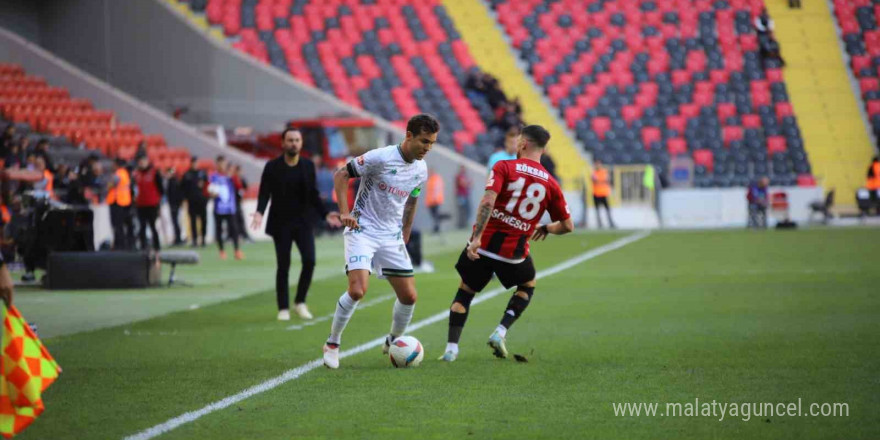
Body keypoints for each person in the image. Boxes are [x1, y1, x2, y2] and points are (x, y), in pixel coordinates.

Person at [439, 125, 573, 362]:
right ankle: (500, 331)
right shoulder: (551, 183)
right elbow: (567, 226)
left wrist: (476, 238)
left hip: (484, 245)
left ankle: (451, 349)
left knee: (465, 291)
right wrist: (546, 228)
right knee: (527, 284)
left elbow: (488, 201)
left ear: (523, 144)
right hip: (514, 253)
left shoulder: (504, 167)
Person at [321, 114, 437, 369]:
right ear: (408, 135)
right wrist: (344, 212)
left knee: (409, 297)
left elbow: (413, 198)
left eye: (432, 143)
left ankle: (394, 340)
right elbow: (342, 175)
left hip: (391, 236)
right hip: (362, 230)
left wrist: (405, 231)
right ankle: (332, 343)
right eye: (424, 141)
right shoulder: (380, 157)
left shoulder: (421, 169)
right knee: (357, 290)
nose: (428, 148)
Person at [252, 128, 342, 321]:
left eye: (297, 140)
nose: (294, 143)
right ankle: (283, 308)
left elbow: (313, 194)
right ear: (283, 143)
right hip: (281, 223)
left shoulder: (308, 166)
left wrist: (325, 213)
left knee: (309, 261)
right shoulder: (272, 167)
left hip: (303, 222)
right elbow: (264, 193)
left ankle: (300, 302)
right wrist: (259, 212)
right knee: (283, 265)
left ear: (301, 143)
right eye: (290, 140)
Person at [210, 156, 242, 260]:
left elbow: (239, 186)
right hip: (218, 208)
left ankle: (237, 250)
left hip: (230, 208)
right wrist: (211, 193)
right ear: (217, 165)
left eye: (224, 164)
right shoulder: (213, 176)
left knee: (234, 229)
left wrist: (234, 176)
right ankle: (222, 251)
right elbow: (210, 190)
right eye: (220, 164)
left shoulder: (230, 176)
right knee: (219, 230)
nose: (222, 166)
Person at [133, 155, 164, 251]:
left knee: (153, 226)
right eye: (140, 161)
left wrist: (158, 204)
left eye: (144, 161)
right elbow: (133, 189)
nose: (142, 163)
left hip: (152, 205)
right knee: (142, 226)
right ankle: (143, 246)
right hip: (140, 205)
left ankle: (157, 246)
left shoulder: (154, 173)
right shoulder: (136, 174)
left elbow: (161, 189)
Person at [107, 158, 135, 250]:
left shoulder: (118, 173)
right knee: (123, 225)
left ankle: (119, 245)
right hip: (125, 202)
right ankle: (125, 244)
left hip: (117, 202)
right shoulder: (125, 173)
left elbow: (110, 185)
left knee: (117, 226)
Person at [181, 156, 209, 247]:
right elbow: (183, 188)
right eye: (193, 163)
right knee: (193, 221)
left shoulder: (202, 173)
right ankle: (195, 240)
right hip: (191, 201)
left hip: (202, 201)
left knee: (203, 220)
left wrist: (206, 198)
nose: (195, 164)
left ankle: (203, 239)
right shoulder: (187, 174)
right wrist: (185, 199)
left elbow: (207, 186)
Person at [591, 160, 615, 228]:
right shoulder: (594, 173)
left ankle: (611, 223)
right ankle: (599, 224)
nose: (597, 166)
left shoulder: (604, 172)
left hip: (604, 193)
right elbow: (594, 180)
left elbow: (608, 180)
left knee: (607, 209)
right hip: (596, 194)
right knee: (597, 210)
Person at [165, 167, 185, 246]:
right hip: (174, 204)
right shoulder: (172, 181)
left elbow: (176, 194)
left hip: (174, 205)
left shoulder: (173, 182)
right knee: (175, 222)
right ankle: (178, 237)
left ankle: (178, 238)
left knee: (176, 221)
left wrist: (176, 204)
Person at [230, 164, 251, 242]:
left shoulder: (241, 179)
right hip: (233, 203)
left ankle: (243, 235)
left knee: (240, 219)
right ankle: (235, 236)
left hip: (238, 203)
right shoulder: (233, 179)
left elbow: (246, 187)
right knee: (235, 220)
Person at [425, 168, 445, 234]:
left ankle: (437, 228)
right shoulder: (430, 179)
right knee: (434, 216)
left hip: (435, 201)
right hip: (430, 202)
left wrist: (435, 200)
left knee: (436, 215)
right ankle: (436, 228)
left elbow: (437, 190)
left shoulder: (436, 179)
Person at [454, 165, 472, 229]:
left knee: (467, 210)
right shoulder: (459, 176)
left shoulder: (465, 176)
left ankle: (465, 224)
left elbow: (471, 184)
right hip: (461, 195)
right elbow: (463, 184)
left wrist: (467, 183)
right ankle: (461, 225)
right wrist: (467, 183)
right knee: (461, 210)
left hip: (465, 195)